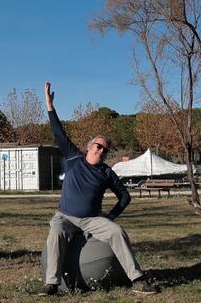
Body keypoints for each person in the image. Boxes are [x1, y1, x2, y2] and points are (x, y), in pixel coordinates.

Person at [39, 82, 158, 296]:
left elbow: (125, 196)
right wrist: (49, 105)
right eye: (98, 146)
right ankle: (51, 284)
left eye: (105, 149)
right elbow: (58, 130)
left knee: (117, 232)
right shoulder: (73, 158)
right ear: (89, 147)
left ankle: (138, 280)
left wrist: (111, 216)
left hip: (91, 220)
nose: (101, 151)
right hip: (65, 217)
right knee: (55, 233)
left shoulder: (106, 172)